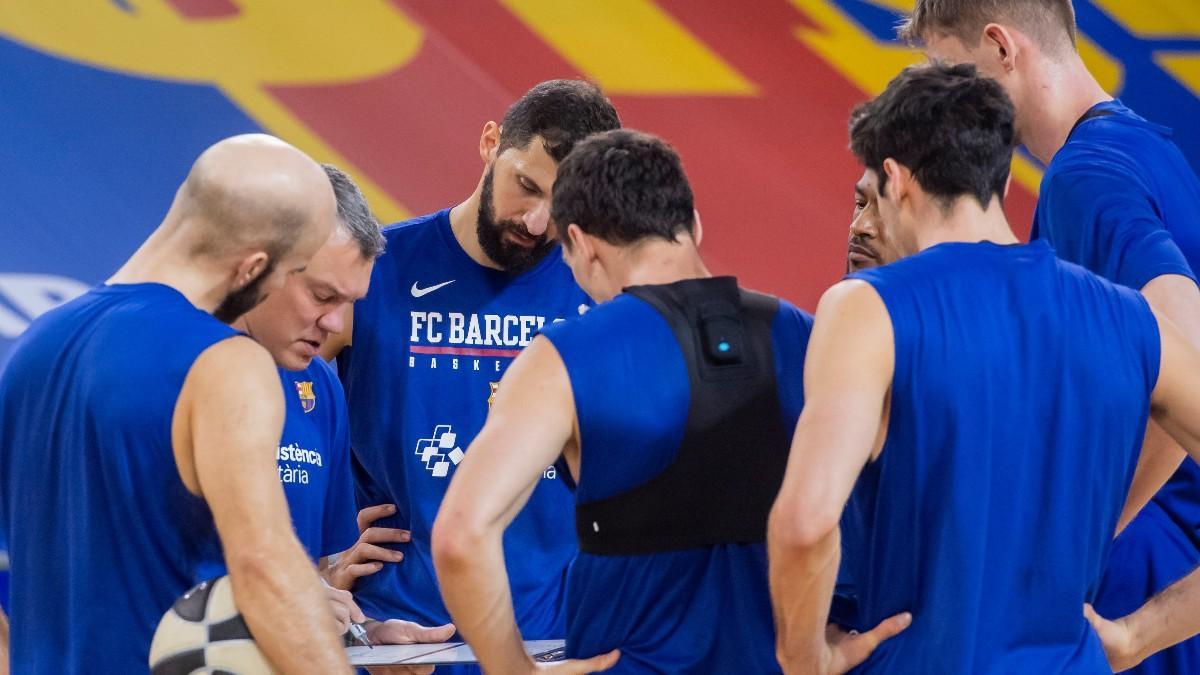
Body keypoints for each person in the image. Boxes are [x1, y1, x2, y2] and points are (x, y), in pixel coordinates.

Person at [769, 63, 1200, 674]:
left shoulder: (870, 309)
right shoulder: (1132, 323)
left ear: (895, 179)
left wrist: (804, 657)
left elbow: (805, 522)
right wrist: (1137, 635)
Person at [432, 129, 814, 673]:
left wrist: (512, 668)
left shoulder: (562, 358)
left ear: (581, 244)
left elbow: (459, 536)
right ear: (695, 225)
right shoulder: (807, 335)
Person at [906, 2, 1200, 670]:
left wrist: (1083, 532)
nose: (947, 108)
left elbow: (1181, 337)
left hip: (1139, 569)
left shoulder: (1083, 176)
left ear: (1001, 47)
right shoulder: (1149, 149)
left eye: (950, 74)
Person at [0, 134, 352, 674]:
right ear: (253, 266)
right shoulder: (225, 363)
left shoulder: (34, 345)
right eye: (289, 272)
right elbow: (266, 570)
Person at [323, 80, 621, 642]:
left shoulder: (604, 295)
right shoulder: (376, 272)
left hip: (549, 642)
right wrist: (317, 560)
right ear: (490, 142)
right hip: (398, 640)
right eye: (526, 185)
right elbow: (269, 414)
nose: (536, 222)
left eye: (564, 207)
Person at [197, 163, 455, 647]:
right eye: (322, 295)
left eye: (348, 302)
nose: (336, 324)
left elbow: (313, 580)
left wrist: (366, 636)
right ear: (259, 264)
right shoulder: (165, 373)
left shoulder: (319, 385)